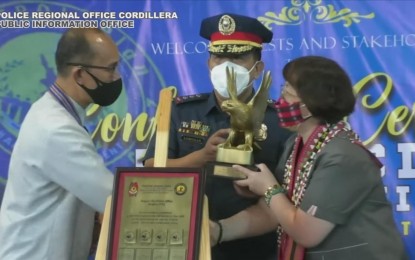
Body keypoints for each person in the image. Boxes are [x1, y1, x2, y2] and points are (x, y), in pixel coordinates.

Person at [213, 56, 408, 260]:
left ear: (310, 104)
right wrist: (218, 230)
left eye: (287, 94)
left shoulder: (342, 157)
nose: (279, 102)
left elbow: (306, 232)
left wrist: (269, 188)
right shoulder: (296, 144)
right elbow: (275, 211)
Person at [143, 13, 292, 260]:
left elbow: (290, 196)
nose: (226, 65)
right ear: (208, 63)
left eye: (237, 58)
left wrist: (255, 189)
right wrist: (201, 157)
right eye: (219, 56)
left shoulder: (281, 121)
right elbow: (152, 169)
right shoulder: (180, 111)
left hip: (255, 249)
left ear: (257, 69)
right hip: (182, 244)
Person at [0, 28, 122, 259]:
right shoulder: (56, 128)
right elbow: (113, 198)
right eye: (111, 69)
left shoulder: (53, 113)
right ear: (79, 75)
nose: (116, 78)